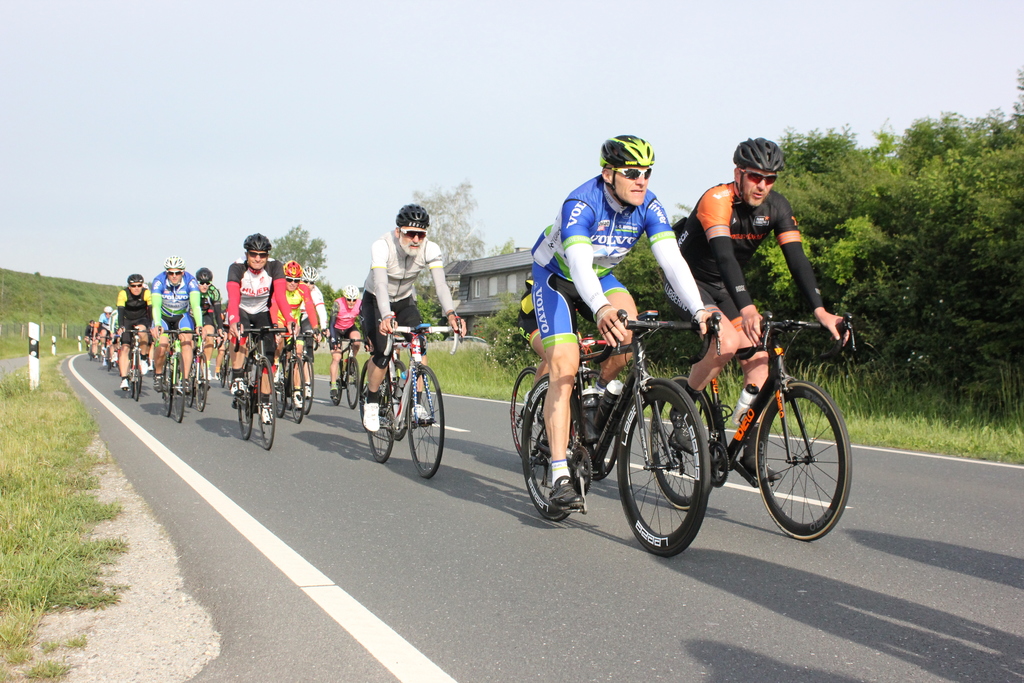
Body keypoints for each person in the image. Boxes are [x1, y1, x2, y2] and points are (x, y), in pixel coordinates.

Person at [531, 135, 710, 510]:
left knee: (629, 337)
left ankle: (598, 394)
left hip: (600, 276)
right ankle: (560, 475)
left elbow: (672, 261)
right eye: (631, 173)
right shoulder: (582, 203)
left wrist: (699, 309)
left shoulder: (649, 205)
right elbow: (579, 265)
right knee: (564, 366)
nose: (641, 180)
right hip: (558, 277)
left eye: (647, 172)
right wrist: (600, 308)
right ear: (608, 174)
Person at [665, 137, 845, 474]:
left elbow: (797, 260)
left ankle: (747, 452)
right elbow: (725, 257)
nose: (762, 185)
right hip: (688, 283)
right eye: (755, 177)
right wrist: (747, 308)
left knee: (760, 361)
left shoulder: (777, 207)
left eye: (770, 179)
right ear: (738, 173)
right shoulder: (716, 199)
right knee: (728, 341)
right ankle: (682, 406)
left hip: (723, 288)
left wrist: (820, 310)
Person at [360, 203, 465, 432]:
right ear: (398, 231)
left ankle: (416, 403)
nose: (416, 239)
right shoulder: (382, 246)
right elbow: (380, 284)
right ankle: (372, 401)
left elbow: (441, 285)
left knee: (420, 344)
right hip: (376, 300)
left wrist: (451, 314)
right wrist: (386, 316)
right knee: (383, 351)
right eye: (410, 233)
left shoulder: (430, 249)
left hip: (405, 300)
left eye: (421, 234)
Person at [225, 233, 297, 423]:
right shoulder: (236, 268)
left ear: (267, 256)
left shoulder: (275, 267)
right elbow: (233, 298)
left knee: (270, 356)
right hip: (241, 309)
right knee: (239, 332)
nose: (258, 258)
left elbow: (280, 297)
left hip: (262, 311)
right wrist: (233, 320)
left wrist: (289, 319)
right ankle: (237, 376)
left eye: (262, 255)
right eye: (253, 254)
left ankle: (265, 403)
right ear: (247, 254)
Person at [269, 260, 319, 410]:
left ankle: (297, 391)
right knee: (279, 342)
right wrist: (276, 327)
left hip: (294, 324)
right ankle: (276, 366)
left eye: (296, 280)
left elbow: (310, 308)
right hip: (279, 320)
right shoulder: (278, 287)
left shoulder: (303, 289)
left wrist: (316, 327)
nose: (292, 283)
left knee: (298, 354)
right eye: (289, 279)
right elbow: (274, 306)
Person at [150, 256, 203, 393]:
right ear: (166, 272)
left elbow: (196, 306)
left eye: (177, 272)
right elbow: (156, 306)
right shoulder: (158, 281)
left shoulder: (191, 281)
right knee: (162, 344)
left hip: (182, 317)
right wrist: (157, 324)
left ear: (183, 272)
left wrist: (199, 325)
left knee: (187, 341)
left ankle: (185, 379)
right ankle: (158, 374)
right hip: (163, 317)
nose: (174, 276)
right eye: (171, 272)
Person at [116, 274, 153, 390]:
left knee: (142, 332)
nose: (136, 288)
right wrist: (121, 326)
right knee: (125, 348)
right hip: (127, 319)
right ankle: (124, 379)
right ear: (129, 286)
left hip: (142, 319)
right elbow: (120, 310)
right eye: (133, 286)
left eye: (139, 285)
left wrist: (150, 326)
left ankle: (143, 358)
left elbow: (151, 310)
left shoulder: (146, 293)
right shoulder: (123, 293)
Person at [328, 284, 362, 403]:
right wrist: (333, 339)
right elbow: (331, 323)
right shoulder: (337, 304)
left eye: (354, 300)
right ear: (344, 297)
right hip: (336, 329)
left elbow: (363, 322)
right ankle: (333, 385)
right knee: (337, 357)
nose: (351, 302)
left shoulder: (360, 304)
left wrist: (368, 338)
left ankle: (350, 361)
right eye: (349, 299)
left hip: (349, 328)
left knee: (357, 341)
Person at [195, 267, 225, 380]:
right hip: (191, 315)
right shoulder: (191, 289)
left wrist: (220, 328)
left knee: (210, 336)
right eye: (201, 283)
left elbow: (217, 313)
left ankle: (206, 366)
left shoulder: (213, 292)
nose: (204, 286)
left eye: (207, 283)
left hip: (205, 315)